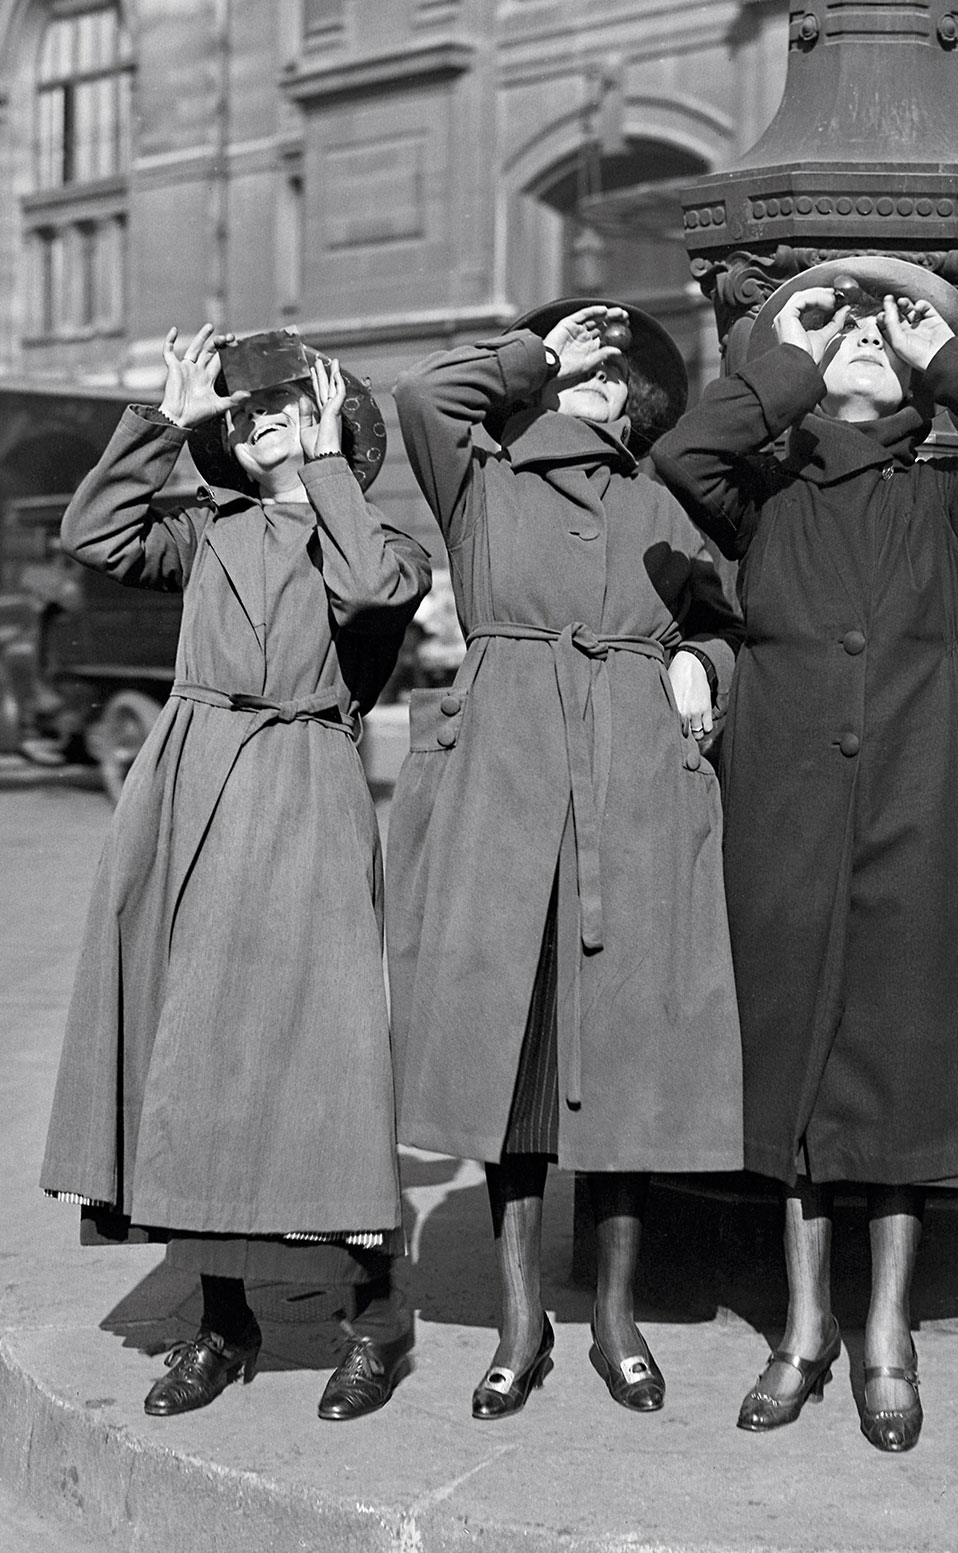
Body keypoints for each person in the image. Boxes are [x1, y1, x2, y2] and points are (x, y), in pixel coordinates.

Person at [654, 258, 958, 1452]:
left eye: (879, 340)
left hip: (913, 800)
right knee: (798, 1072)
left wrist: (945, 351)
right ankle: (804, 1329)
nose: (859, 343)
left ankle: (885, 1335)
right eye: (833, 337)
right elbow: (683, 455)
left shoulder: (948, 494)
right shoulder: (761, 491)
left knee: (895, 1074)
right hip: (787, 806)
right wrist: (784, 364)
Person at [42, 325, 430, 1424]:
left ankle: (373, 1320)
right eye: (247, 415)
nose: (263, 425)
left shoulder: (377, 541)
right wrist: (162, 418)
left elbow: (367, 590)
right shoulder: (208, 532)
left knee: (321, 1059)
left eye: (288, 409)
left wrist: (319, 470)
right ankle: (222, 1321)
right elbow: (95, 532)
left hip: (303, 792)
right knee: (192, 1049)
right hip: (189, 787)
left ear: (331, 426)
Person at [389, 300, 742, 1420]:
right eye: (574, 369)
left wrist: (704, 667)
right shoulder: (482, 481)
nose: (592, 385)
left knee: (628, 1057)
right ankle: (519, 1317)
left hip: (632, 789)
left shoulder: (668, 499)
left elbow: (739, 614)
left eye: (610, 372)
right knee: (511, 1065)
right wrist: (539, 352)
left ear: (639, 399)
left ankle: (618, 1317)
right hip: (505, 786)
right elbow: (422, 398)